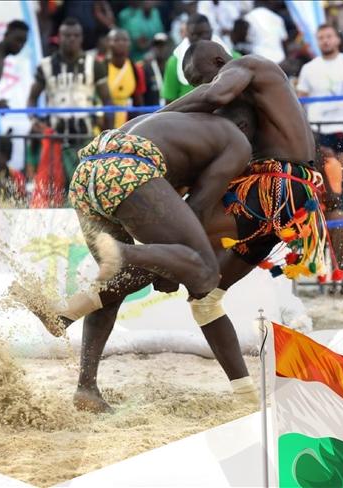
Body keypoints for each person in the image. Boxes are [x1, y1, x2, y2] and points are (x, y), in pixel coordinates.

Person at [48, 41, 332, 412]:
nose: (204, 94)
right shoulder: (228, 126)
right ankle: (246, 398)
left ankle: (80, 301)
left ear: (218, 61)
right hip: (291, 202)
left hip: (271, 188)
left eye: (202, 79)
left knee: (182, 258)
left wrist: (164, 112)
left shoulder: (249, 66)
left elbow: (216, 94)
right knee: (205, 292)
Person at [55, 105, 260, 412]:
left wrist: (169, 264)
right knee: (204, 272)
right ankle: (246, 397)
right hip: (126, 170)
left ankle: (85, 383)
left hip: (85, 174)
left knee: (117, 287)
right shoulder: (236, 141)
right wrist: (172, 268)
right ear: (244, 126)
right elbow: (199, 207)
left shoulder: (168, 123)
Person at [296, 24, 343, 296]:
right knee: (325, 192)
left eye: (329, 35)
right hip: (319, 134)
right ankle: (327, 271)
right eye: (321, 37)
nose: (326, 40)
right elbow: (299, 102)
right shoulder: (309, 69)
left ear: (337, 38)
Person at [27, 17, 113, 198]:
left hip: (86, 136)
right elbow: (32, 98)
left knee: (86, 185)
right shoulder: (46, 66)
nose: (71, 39)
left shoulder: (94, 64)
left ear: (81, 38)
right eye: (67, 35)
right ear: (59, 37)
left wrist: (108, 132)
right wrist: (34, 121)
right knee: (57, 187)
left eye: (75, 35)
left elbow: (107, 100)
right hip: (56, 136)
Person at [161, 14, 234, 103]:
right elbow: (169, 100)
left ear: (211, 31)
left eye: (204, 33)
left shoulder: (233, 56)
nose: (200, 38)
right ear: (187, 34)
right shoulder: (174, 62)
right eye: (194, 34)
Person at [105, 29, 146, 128]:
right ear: (108, 43)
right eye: (116, 40)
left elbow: (138, 101)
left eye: (125, 40)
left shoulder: (135, 68)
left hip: (126, 125)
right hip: (103, 122)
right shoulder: (101, 66)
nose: (121, 43)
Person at [140, 33, 172, 106]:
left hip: (169, 113)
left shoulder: (173, 68)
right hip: (151, 113)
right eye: (156, 46)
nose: (160, 49)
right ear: (152, 48)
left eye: (163, 45)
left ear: (168, 47)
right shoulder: (146, 69)